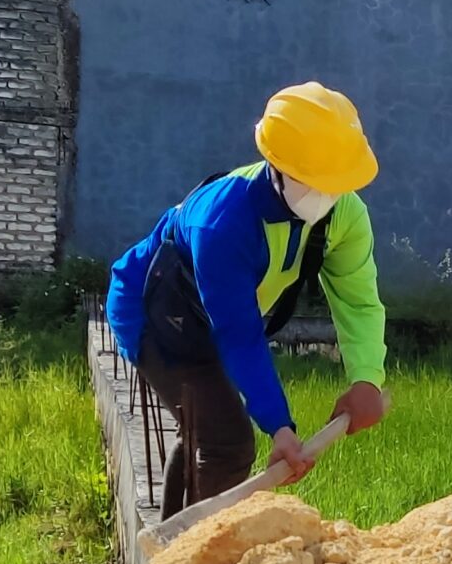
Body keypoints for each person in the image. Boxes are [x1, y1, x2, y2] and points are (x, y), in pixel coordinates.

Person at [107, 82, 390, 516]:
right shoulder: (223, 223)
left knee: (205, 428)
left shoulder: (344, 215)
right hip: (157, 314)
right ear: (275, 165)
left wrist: (366, 378)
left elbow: (359, 301)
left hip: (218, 315)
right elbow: (239, 335)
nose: (325, 195)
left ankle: (169, 544)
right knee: (227, 442)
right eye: (311, 181)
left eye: (335, 184)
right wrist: (280, 427)